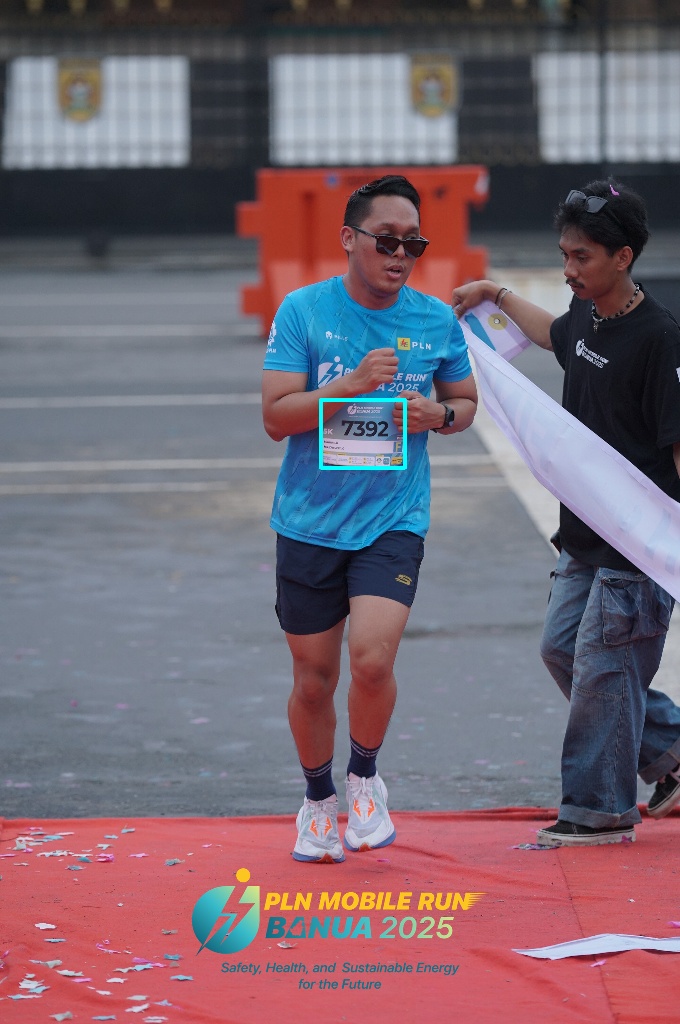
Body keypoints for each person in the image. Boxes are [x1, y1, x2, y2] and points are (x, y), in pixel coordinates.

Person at [452, 179, 680, 846]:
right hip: (583, 536)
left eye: (582, 257)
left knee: (605, 668)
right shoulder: (587, 314)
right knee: (562, 650)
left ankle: (597, 810)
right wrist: (496, 295)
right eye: (565, 255)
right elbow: (553, 334)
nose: (569, 269)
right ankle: (671, 749)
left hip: (635, 545)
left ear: (623, 257)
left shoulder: (659, 338)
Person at [262, 175, 477, 862]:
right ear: (349, 239)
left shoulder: (434, 321)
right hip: (309, 520)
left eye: (414, 243)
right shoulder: (303, 310)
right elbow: (276, 417)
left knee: (373, 661)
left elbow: (465, 403)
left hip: (394, 516)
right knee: (313, 678)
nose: (401, 254)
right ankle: (317, 799)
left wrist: (440, 414)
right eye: (387, 240)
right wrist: (349, 387)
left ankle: (363, 780)